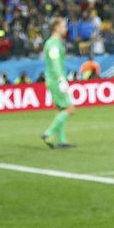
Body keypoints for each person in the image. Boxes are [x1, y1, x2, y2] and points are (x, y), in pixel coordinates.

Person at [40, 17, 75, 148]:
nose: (65, 29)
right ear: (56, 28)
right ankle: (48, 133)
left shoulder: (53, 43)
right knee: (70, 108)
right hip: (56, 80)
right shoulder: (53, 44)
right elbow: (55, 64)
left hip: (52, 79)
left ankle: (61, 140)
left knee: (61, 109)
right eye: (63, 26)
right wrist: (61, 80)